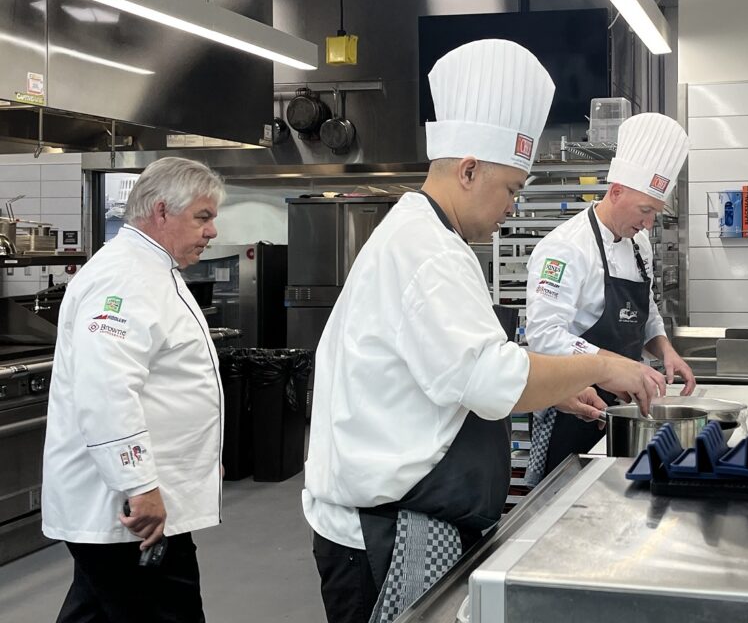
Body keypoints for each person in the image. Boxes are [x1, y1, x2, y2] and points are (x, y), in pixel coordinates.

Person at [302, 39, 665, 623]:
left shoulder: (429, 237)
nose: (513, 210)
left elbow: (467, 362)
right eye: (512, 189)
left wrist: (551, 383)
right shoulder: (430, 252)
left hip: (406, 514)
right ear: (469, 169)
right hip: (384, 532)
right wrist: (602, 365)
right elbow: (491, 378)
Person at [42, 157, 225, 623]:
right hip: (130, 512)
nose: (212, 232)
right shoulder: (125, 278)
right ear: (161, 211)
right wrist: (139, 484)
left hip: (134, 507)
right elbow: (107, 389)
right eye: (203, 217)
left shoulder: (150, 270)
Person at [525, 112, 695, 482]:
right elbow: (544, 336)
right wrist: (612, 366)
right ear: (616, 192)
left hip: (625, 406)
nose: (649, 223)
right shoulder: (565, 249)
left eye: (656, 213)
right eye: (645, 211)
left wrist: (664, 350)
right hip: (575, 406)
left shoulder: (640, 243)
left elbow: (646, 311)